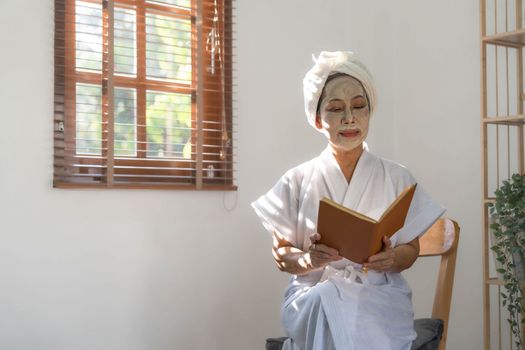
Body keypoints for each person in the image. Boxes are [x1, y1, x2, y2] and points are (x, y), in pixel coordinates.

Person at [251, 51, 445, 350]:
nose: (349, 118)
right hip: (312, 293)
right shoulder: (296, 180)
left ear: (370, 111)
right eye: (335, 108)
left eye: (358, 106)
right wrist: (308, 259)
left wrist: (392, 259)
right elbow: (281, 255)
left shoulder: (397, 177)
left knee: (348, 311)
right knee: (326, 298)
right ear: (317, 119)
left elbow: (411, 250)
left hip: (378, 296)